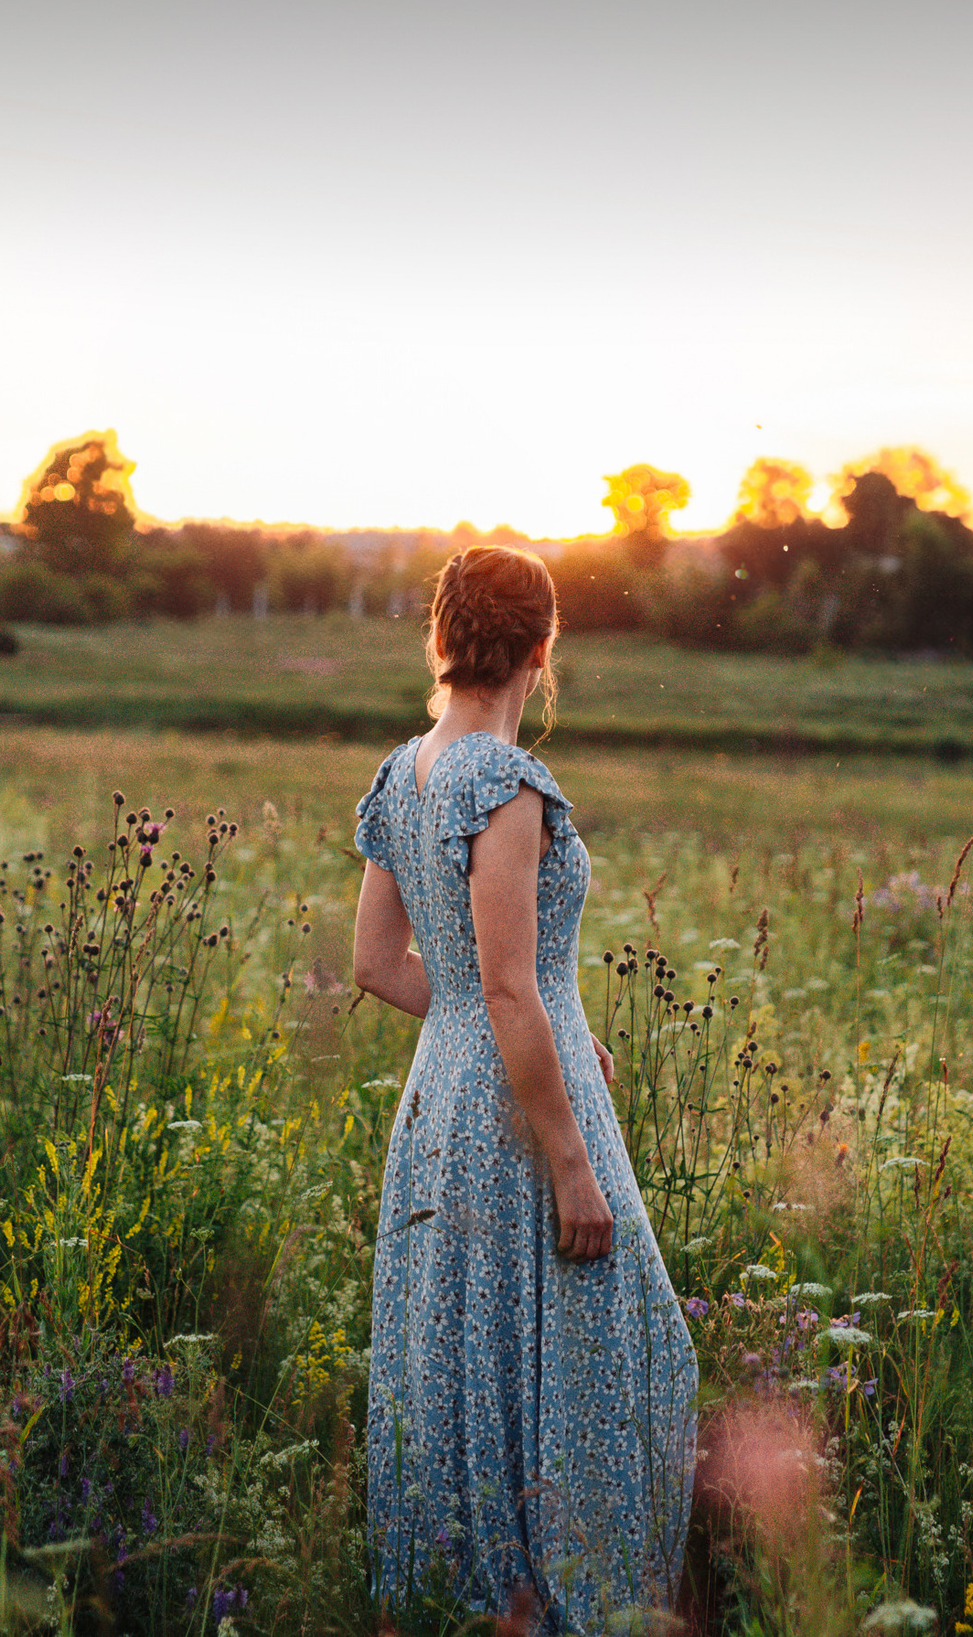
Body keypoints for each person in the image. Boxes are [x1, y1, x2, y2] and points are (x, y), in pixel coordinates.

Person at [351, 545, 697, 1630]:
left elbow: (380, 966)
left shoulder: (402, 772)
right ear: (542, 652)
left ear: (440, 639)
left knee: (471, 1357)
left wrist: (535, 1029)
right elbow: (506, 985)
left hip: (444, 1096)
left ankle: (465, 1595)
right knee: (628, 1350)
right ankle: (570, 1602)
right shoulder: (501, 783)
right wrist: (570, 1160)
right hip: (513, 1113)